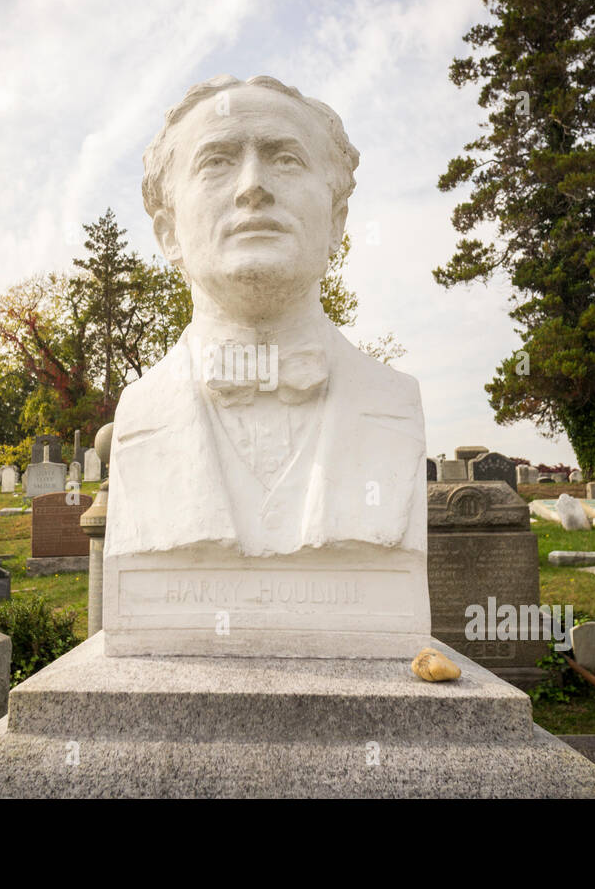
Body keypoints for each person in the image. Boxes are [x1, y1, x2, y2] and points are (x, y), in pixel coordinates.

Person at [103, 75, 430, 656]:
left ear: (335, 223)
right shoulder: (140, 415)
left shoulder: (395, 405)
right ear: (167, 233)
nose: (253, 187)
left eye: (284, 158)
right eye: (217, 161)